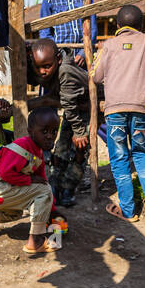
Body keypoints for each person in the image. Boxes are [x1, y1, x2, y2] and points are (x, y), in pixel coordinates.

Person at [93, 4, 145, 220]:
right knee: (141, 151)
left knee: (119, 158)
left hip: (115, 110)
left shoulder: (108, 45)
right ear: (141, 25)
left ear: (117, 26)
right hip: (140, 110)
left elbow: (96, 76)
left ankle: (128, 210)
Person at [0, 106, 63, 254]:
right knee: (44, 190)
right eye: (44, 131)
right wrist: (30, 180)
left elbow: (42, 179)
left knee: (16, 212)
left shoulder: (38, 152)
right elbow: (5, 174)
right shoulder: (22, 147)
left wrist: (52, 211)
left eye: (54, 131)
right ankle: (35, 241)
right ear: (30, 131)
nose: (50, 136)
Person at [25, 38, 92, 206]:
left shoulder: (65, 72)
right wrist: (25, 57)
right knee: (61, 150)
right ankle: (55, 188)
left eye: (46, 66)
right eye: (38, 67)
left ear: (58, 60)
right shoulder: (48, 67)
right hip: (74, 109)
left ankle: (69, 189)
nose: (42, 72)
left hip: (87, 110)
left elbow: (70, 104)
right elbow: (32, 77)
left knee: (80, 150)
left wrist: (79, 132)